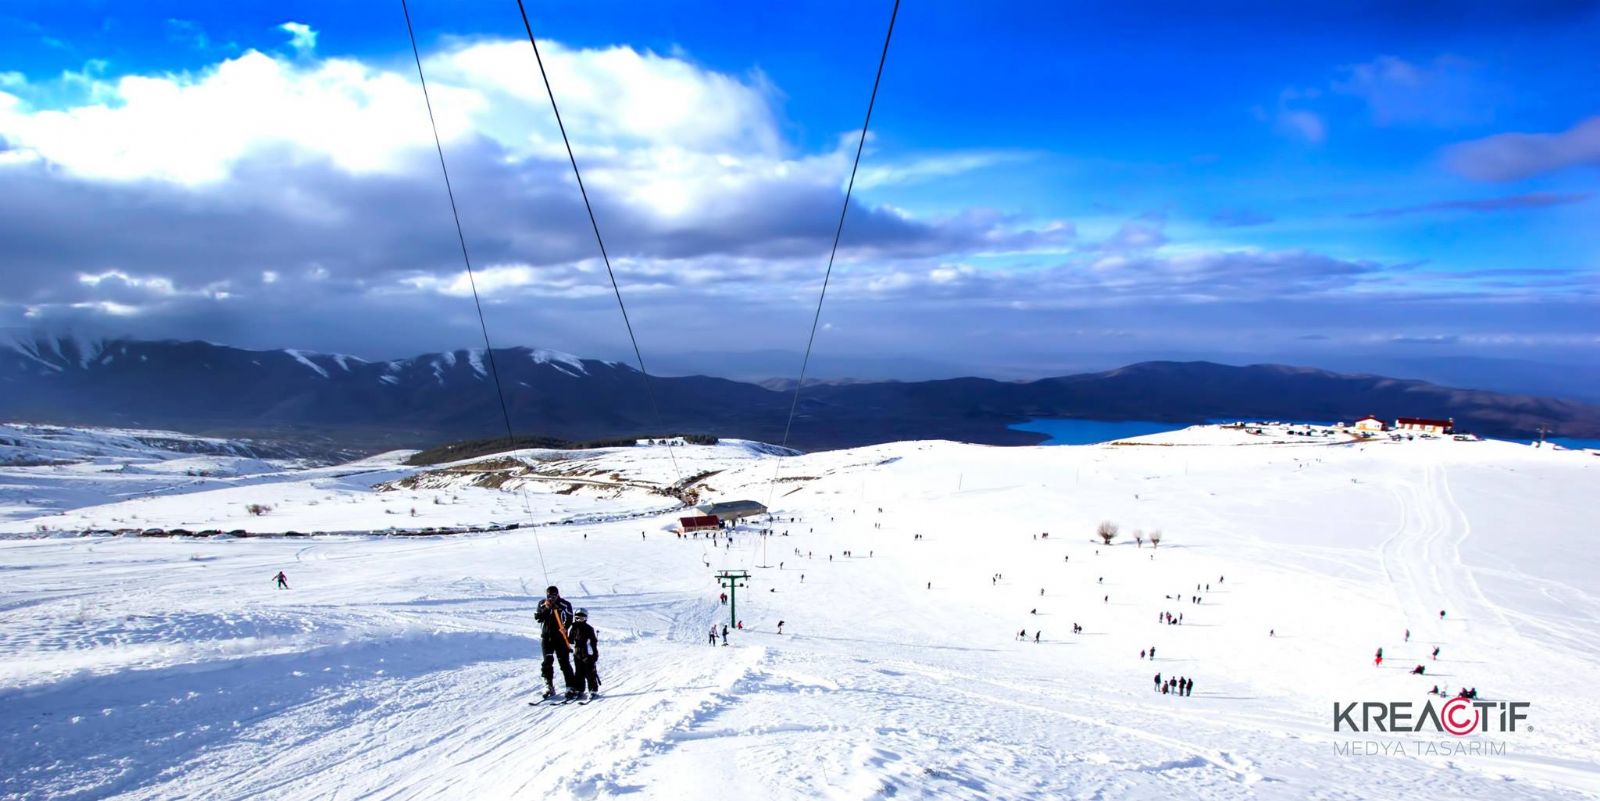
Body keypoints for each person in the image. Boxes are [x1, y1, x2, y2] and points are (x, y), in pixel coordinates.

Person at [535, 585, 578, 700]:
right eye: (549, 596)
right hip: (546, 637)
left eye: (554, 596)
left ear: (558, 595)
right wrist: (547, 608)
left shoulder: (564, 604)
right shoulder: (542, 603)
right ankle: (549, 685)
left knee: (564, 662)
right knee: (547, 661)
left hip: (560, 637)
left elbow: (569, 617)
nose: (551, 598)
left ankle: (570, 686)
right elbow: (538, 617)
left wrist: (565, 627)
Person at [570, 608, 600, 701]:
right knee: (579, 672)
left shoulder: (588, 628)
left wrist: (594, 654)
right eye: (577, 618)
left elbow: (593, 642)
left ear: (586, 619)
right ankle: (580, 689)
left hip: (587, 652)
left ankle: (593, 690)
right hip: (577, 652)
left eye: (582, 618)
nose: (579, 620)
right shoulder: (573, 627)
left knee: (589, 672)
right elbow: (570, 640)